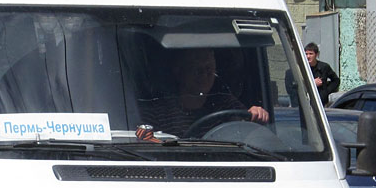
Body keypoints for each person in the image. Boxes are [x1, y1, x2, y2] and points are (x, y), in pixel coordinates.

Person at [140, 48, 268, 137]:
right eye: (198, 70)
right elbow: (143, 144)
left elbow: (249, 133)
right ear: (179, 72)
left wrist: (256, 115)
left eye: (209, 69)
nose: (205, 76)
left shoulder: (226, 104)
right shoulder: (157, 112)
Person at [286, 42, 340, 107]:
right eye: (306, 54)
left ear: (316, 54)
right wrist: (312, 83)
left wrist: (326, 92)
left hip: (319, 104)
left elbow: (336, 80)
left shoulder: (324, 67)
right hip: (300, 105)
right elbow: (290, 88)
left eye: (311, 54)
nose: (308, 56)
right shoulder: (296, 70)